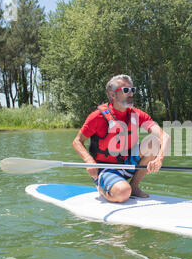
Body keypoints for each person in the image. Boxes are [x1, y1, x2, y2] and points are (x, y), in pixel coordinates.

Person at [73, 74, 170, 203]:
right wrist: (88, 160)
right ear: (112, 95)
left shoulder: (137, 114)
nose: (130, 94)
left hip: (127, 164)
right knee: (123, 193)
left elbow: (164, 136)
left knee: (154, 142)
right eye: (126, 90)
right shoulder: (97, 117)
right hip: (105, 168)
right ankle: (103, 186)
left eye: (132, 90)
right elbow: (77, 141)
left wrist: (159, 159)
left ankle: (134, 186)